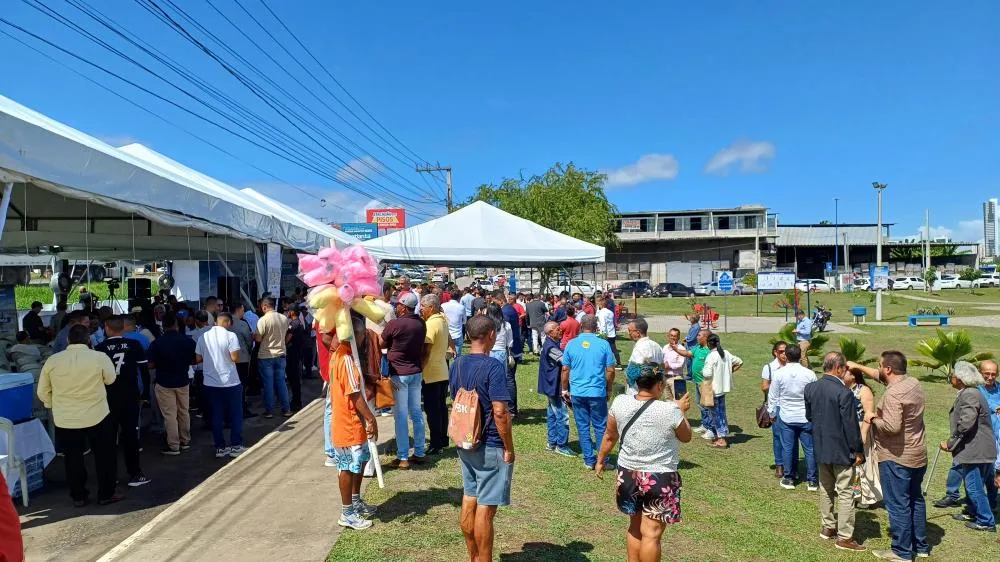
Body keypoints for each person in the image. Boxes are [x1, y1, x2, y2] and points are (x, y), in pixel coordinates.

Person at [596, 366, 692, 562]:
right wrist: (682, 411)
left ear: (637, 383)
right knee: (652, 533)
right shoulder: (670, 410)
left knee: (635, 526)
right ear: (659, 385)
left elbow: (610, 436)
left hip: (628, 473)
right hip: (660, 476)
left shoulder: (620, 402)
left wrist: (600, 460)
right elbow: (686, 436)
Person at [848, 351, 929, 561]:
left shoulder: (893, 394)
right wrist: (858, 366)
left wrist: (872, 418)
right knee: (915, 499)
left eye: (880, 365)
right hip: (918, 454)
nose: (878, 369)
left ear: (889, 369)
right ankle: (921, 546)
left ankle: (901, 551)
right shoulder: (912, 383)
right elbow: (880, 376)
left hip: (897, 458)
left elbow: (892, 427)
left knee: (898, 504)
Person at [451, 315, 514, 562]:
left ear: (468, 336)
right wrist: (509, 447)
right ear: (491, 335)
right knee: (486, 509)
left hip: (465, 439)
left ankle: (473, 557)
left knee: (470, 497)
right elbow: (500, 412)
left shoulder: (457, 363)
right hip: (490, 443)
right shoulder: (494, 366)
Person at [37, 325, 122, 506]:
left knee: (72, 458)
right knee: (104, 456)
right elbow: (111, 379)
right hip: (97, 414)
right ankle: (106, 494)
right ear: (89, 340)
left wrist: (53, 405)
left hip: (65, 418)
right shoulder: (99, 357)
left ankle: (78, 496)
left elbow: (42, 391)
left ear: (68, 340)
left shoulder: (53, 361)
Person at [803, 352, 866, 552]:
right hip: (842, 450)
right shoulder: (844, 393)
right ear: (838, 368)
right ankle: (845, 537)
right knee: (845, 492)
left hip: (821, 447)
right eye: (845, 368)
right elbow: (851, 426)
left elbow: (809, 416)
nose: (846, 372)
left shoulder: (811, 388)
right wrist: (858, 450)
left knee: (826, 488)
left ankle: (828, 526)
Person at [329, 313, 379, 531]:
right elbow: (354, 394)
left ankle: (356, 501)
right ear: (355, 336)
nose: (364, 340)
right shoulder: (345, 359)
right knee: (348, 467)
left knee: (360, 462)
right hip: (348, 423)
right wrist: (370, 418)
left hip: (353, 423)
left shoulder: (342, 355)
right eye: (363, 336)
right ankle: (347, 512)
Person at [94, 316, 151, 488]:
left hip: (107, 398)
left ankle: (111, 477)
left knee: (109, 438)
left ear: (107, 328)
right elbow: (144, 371)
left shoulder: (99, 348)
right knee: (130, 436)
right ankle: (135, 473)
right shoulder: (134, 345)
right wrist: (145, 393)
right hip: (130, 396)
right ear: (123, 328)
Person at [940, 361, 996, 532]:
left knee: (974, 487)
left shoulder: (970, 394)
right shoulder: (971, 392)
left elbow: (966, 422)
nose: (952, 377)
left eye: (954, 375)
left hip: (976, 449)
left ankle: (986, 521)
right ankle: (973, 512)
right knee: (973, 483)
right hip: (978, 448)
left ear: (960, 378)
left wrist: (951, 442)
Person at [561, 314, 616, 470]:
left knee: (582, 426)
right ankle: (602, 460)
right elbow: (611, 370)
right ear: (596, 327)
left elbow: (565, 369)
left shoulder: (571, 344)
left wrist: (564, 389)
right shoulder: (603, 344)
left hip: (578, 392)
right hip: (597, 391)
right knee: (600, 426)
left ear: (580, 326)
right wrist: (609, 387)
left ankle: (589, 459)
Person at [382, 292, 427, 469]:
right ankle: (420, 452)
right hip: (416, 371)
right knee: (416, 413)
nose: (396, 307)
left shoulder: (395, 324)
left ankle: (403, 457)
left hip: (399, 373)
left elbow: (382, 343)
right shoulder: (421, 323)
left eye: (398, 304)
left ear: (402, 307)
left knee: (400, 415)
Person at [195, 312, 245, 458]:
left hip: (210, 382)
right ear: (228, 323)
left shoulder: (203, 336)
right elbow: (235, 358)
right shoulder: (231, 336)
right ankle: (236, 445)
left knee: (216, 415)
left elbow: (198, 358)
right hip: (230, 381)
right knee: (236, 414)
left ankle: (220, 448)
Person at [767, 345, 817, 488]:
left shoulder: (779, 374)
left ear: (787, 356)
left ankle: (789, 477)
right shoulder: (809, 374)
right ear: (800, 356)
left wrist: (772, 413)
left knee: (787, 448)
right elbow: (815, 395)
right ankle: (812, 480)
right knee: (810, 449)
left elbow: (773, 396)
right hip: (806, 417)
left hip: (787, 416)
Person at [148, 312, 195, 455]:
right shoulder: (187, 340)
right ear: (176, 324)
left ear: (163, 325)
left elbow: (150, 364)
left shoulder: (157, 343)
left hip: (164, 381)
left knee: (170, 415)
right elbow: (195, 359)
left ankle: (174, 445)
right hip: (183, 380)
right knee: (184, 411)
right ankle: (185, 440)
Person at [421, 294, 454, 455]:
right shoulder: (443, 320)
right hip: (442, 370)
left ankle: (435, 443)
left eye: (423, 306)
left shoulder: (431, 324)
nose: (421, 309)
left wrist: (420, 368)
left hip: (431, 372)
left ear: (431, 308)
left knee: (432, 410)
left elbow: (426, 351)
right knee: (441, 407)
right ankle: (442, 439)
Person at [845, 366, 882, 508]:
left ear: (853, 376)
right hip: (847, 430)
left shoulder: (863, 390)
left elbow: (868, 415)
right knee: (850, 463)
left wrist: (863, 434)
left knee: (862, 464)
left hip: (860, 428)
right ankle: (852, 493)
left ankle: (864, 496)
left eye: (845, 372)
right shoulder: (842, 388)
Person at [699, 333, 743, 449]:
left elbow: (707, 374)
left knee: (716, 415)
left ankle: (721, 439)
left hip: (713, 390)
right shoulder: (726, 353)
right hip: (723, 389)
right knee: (721, 414)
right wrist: (729, 372)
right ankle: (720, 436)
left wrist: (702, 371)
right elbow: (739, 361)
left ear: (708, 344)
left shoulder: (711, 356)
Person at [537, 321, 573, 457]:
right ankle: (561, 446)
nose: (560, 330)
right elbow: (565, 361)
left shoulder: (551, 343)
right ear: (550, 332)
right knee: (562, 416)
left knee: (552, 414)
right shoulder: (551, 347)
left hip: (550, 385)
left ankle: (552, 443)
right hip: (554, 386)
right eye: (558, 329)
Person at [254, 297, 292, 418]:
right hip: (281, 354)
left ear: (264, 307)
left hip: (266, 355)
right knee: (281, 382)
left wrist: (254, 336)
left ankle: (269, 411)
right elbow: (288, 333)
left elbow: (258, 339)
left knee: (268, 384)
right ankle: (286, 409)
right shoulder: (283, 318)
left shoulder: (263, 320)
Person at [675, 329, 712, 437]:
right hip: (697, 381)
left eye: (699, 335)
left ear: (705, 338)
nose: (697, 337)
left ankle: (711, 429)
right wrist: (676, 349)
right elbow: (687, 353)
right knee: (701, 404)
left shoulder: (710, 351)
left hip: (706, 383)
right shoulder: (698, 348)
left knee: (708, 406)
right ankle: (705, 425)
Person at [762, 341, 789, 478]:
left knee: (790, 437)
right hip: (776, 405)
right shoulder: (769, 367)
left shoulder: (792, 366)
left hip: (790, 405)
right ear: (775, 353)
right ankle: (779, 465)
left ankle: (790, 465)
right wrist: (778, 382)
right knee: (778, 436)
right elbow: (764, 387)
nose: (784, 354)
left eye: (786, 351)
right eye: (781, 351)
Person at [485, 303, 515, 413]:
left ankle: (489, 405)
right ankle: (504, 406)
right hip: (501, 353)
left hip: (488, 352)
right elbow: (510, 342)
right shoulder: (506, 325)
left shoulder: (486, 325)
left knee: (487, 380)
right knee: (502, 381)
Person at [624, 317, 664, 395]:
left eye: (629, 330)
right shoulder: (656, 346)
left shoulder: (639, 348)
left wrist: (627, 374)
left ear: (638, 332)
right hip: (654, 390)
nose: (628, 333)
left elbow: (633, 372)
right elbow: (662, 368)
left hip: (638, 393)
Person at [230, 303, 256, 417]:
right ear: (238, 309)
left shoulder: (225, 323)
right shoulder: (242, 324)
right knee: (242, 385)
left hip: (229, 359)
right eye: (243, 309)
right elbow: (249, 341)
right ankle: (241, 408)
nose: (243, 312)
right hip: (242, 359)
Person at [595, 297, 621, 366]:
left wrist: (602, 335)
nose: (597, 304)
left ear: (601, 304)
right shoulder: (610, 312)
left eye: (598, 303)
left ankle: (603, 362)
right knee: (613, 349)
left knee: (602, 349)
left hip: (604, 334)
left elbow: (603, 324)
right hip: (611, 333)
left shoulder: (602, 313)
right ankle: (618, 362)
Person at [442, 292, 467, 357]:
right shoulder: (461, 307)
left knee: (445, 355)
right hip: (457, 334)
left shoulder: (443, 305)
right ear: (459, 297)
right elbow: (464, 321)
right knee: (457, 356)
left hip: (446, 333)